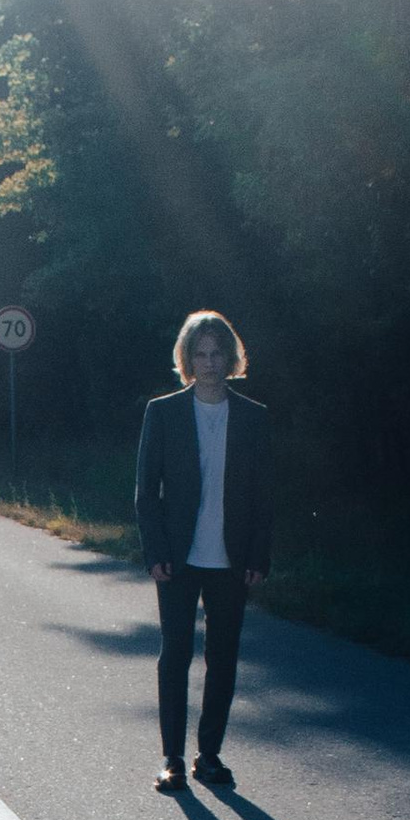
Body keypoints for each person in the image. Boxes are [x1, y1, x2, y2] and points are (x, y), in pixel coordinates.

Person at [134, 309, 272, 792]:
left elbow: (262, 494)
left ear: (230, 358)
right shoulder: (164, 412)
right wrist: (154, 551)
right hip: (178, 557)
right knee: (175, 655)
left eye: (217, 354)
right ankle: (172, 759)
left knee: (224, 658)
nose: (210, 363)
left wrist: (258, 556)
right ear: (188, 359)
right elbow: (146, 491)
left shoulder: (253, 418)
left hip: (231, 561)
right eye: (201, 353)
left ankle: (208, 756)